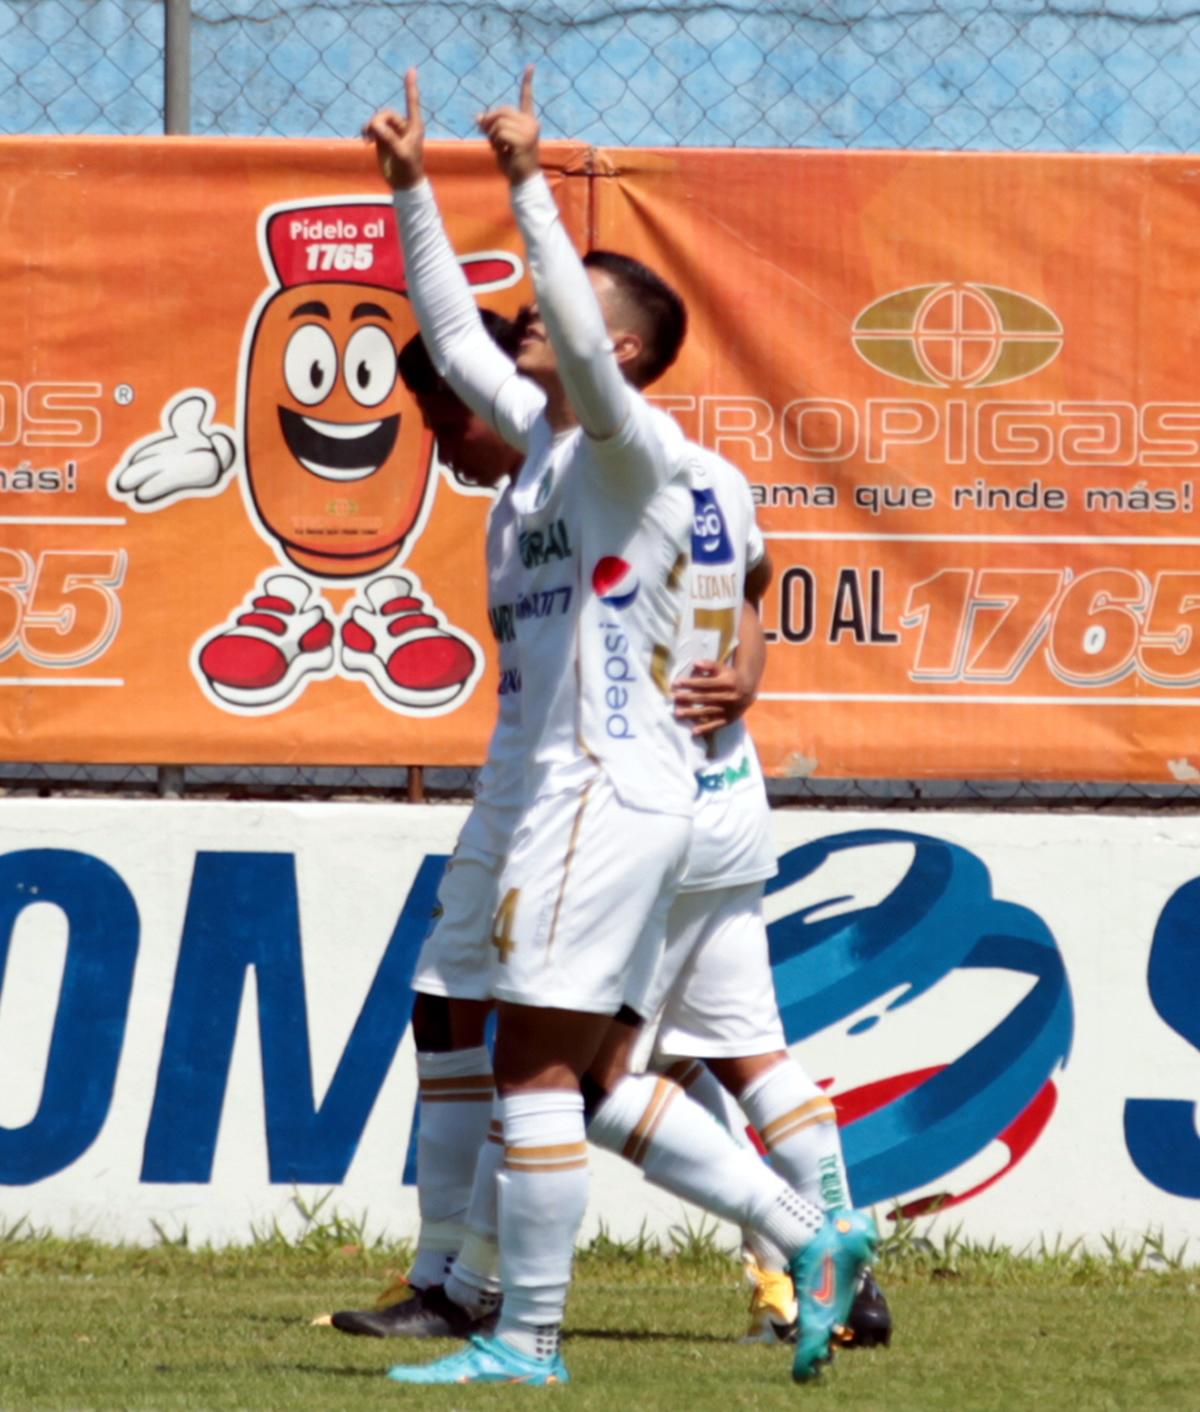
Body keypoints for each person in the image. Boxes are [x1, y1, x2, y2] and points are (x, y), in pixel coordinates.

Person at [361, 67, 875, 1388]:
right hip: (584, 791)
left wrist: (529, 181)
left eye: (558, 314)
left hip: (604, 791)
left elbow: (576, 348)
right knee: (580, 1081)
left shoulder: (624, 445)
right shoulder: (544, 444)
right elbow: (449, 331)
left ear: (625, 355)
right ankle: (814, 1237)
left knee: (533, 1070)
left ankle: (524, 1341)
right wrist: (414, 189)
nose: (524, 325)